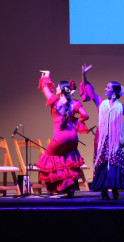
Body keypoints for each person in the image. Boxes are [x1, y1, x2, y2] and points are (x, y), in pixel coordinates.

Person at [79, 64, 124, 200]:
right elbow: (89, 89)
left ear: (114, 92)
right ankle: (103, 190)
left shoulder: (121, 107)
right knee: (103, 163)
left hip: (114, 142)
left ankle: (115, 190)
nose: (105, 89)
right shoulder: (100, 102)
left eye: (108, 87)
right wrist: (84, 74)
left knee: (114, 163)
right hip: (102, 139)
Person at [37, 70, 89, 198]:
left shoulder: (55, 101)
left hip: (61, 137)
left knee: (49, 158)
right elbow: (85, 115)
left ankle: (62, 186)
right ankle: (69, 187)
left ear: (61, 90)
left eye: (58, 87)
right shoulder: (73, 103)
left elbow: (44, 87)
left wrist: (47, 75)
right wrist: (75, 121)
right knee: (64, 160)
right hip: (73, 138)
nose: (56, 89)